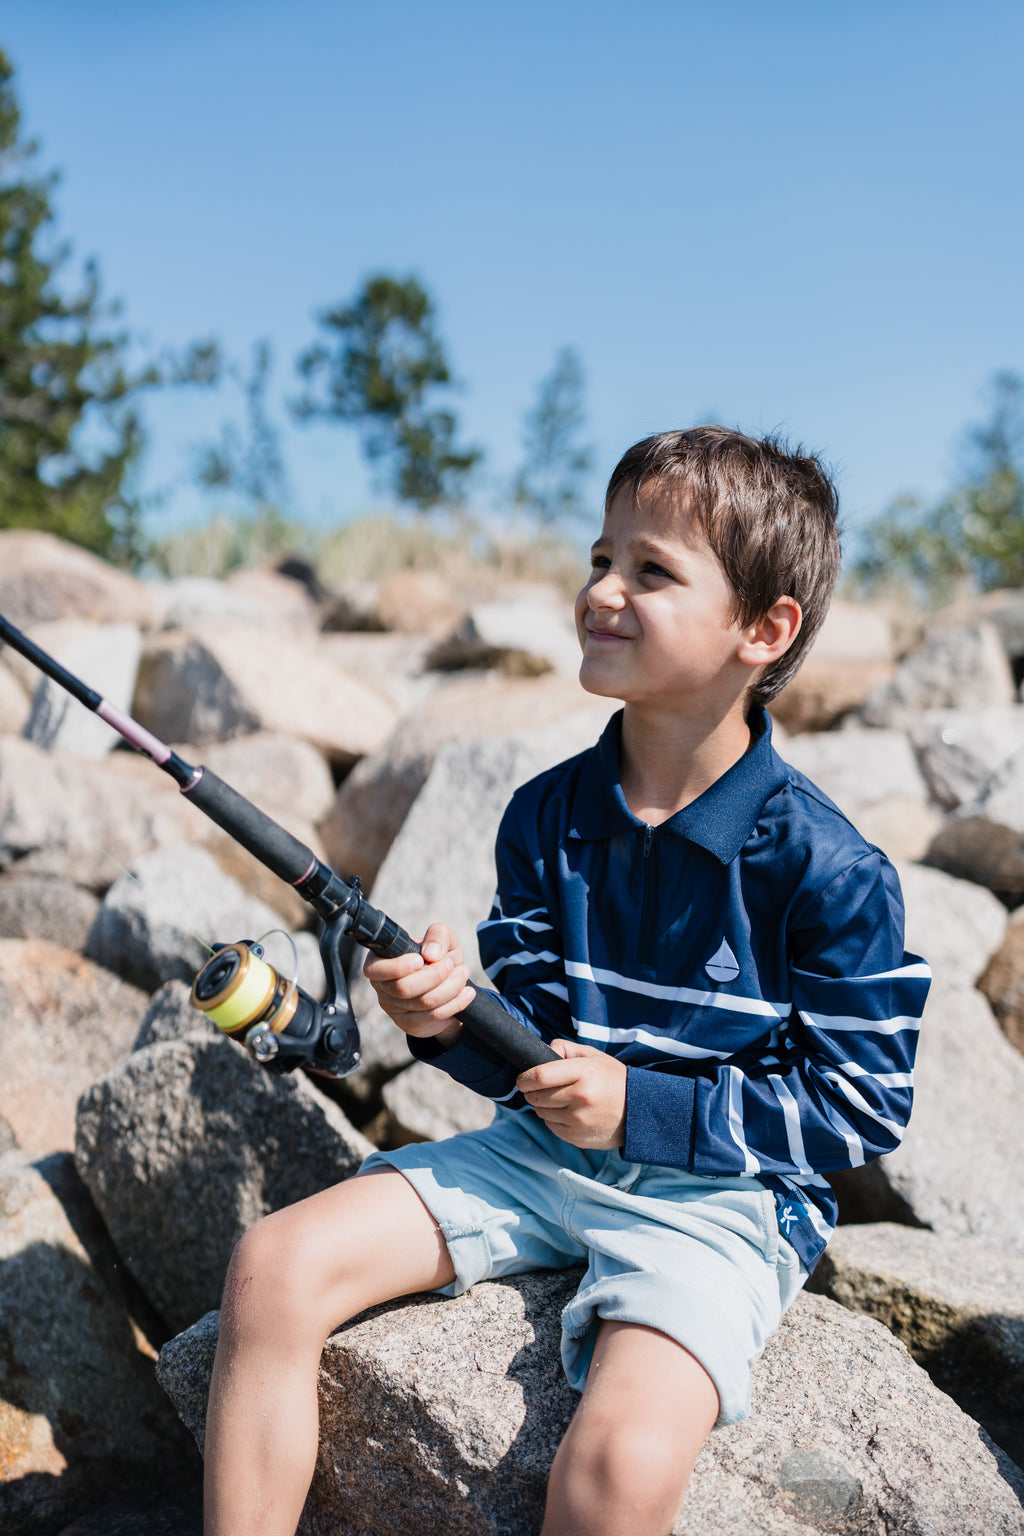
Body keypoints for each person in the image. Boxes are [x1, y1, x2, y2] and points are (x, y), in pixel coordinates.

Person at [203, 426, 930, 1536]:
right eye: (600, 557)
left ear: (764, 630)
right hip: (537, 1157)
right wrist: (445, 1021)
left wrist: (641, 1108)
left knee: (619, 1467)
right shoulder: (544, 816)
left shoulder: (831, 872)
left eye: (651, 570)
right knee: (272, 1268)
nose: (602, 590)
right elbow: (530, 1051)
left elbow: (863, 1106)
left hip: (722, 1203)